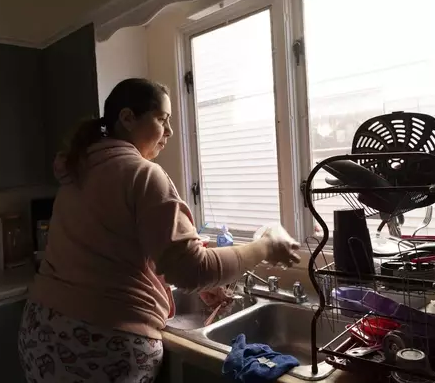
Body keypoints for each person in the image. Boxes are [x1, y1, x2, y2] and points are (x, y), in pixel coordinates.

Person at [18, 78, 301, 383]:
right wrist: (265, 246)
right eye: (162, 119)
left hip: (41, 331)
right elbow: (191, 270)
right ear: (127, 118)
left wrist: (181, 272)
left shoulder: (79, 170)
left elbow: (123, 253)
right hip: (98, 342)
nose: (169, 131)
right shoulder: (143, 174)